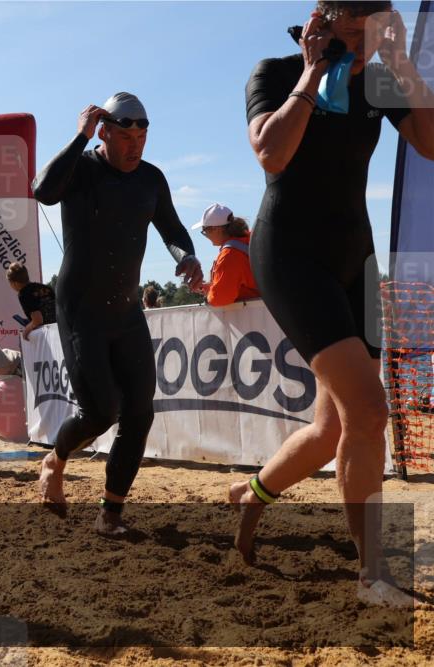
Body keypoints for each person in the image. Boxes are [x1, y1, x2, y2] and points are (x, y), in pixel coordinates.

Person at [234, 1, 433, 608]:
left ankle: (252, 496)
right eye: (351, 33)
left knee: (331, 429)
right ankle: (373, 573)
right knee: (370, 411)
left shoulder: (378, 80)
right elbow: (271, 154)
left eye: (373, 36)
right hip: (292, 257)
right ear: (323, 18)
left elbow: (431, 144)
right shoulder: (274, 72)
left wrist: (401, 64)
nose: (361, 47)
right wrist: (312, 74)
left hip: (359, 261)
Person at [32, 92, 204, 532]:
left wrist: (185, 255)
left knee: (140, 414)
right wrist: (78, 137)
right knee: (100, 411)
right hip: (81, 311)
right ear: (104, 133)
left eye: (142, 137)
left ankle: (110, 514)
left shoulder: (151, 179)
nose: (136, 146)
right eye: (126, 137)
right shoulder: (81, 169)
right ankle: (55, 460)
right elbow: (42, 191)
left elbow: (172, 228)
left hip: (126, 312)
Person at [191, 203, 260, 307]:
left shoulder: (229, 255)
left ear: (216, 229)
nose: (205, 235)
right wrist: (212, 287)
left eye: (204, 231)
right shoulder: (249, 240)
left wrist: (209, 295)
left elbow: (220, 298)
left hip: (258, 316)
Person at [6, 261, 56, 340]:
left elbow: (38, 320)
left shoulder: (24, 294)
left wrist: (26, 330)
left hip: (48, 335)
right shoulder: (46, 288)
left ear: (14, 283)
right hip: (60, 329)